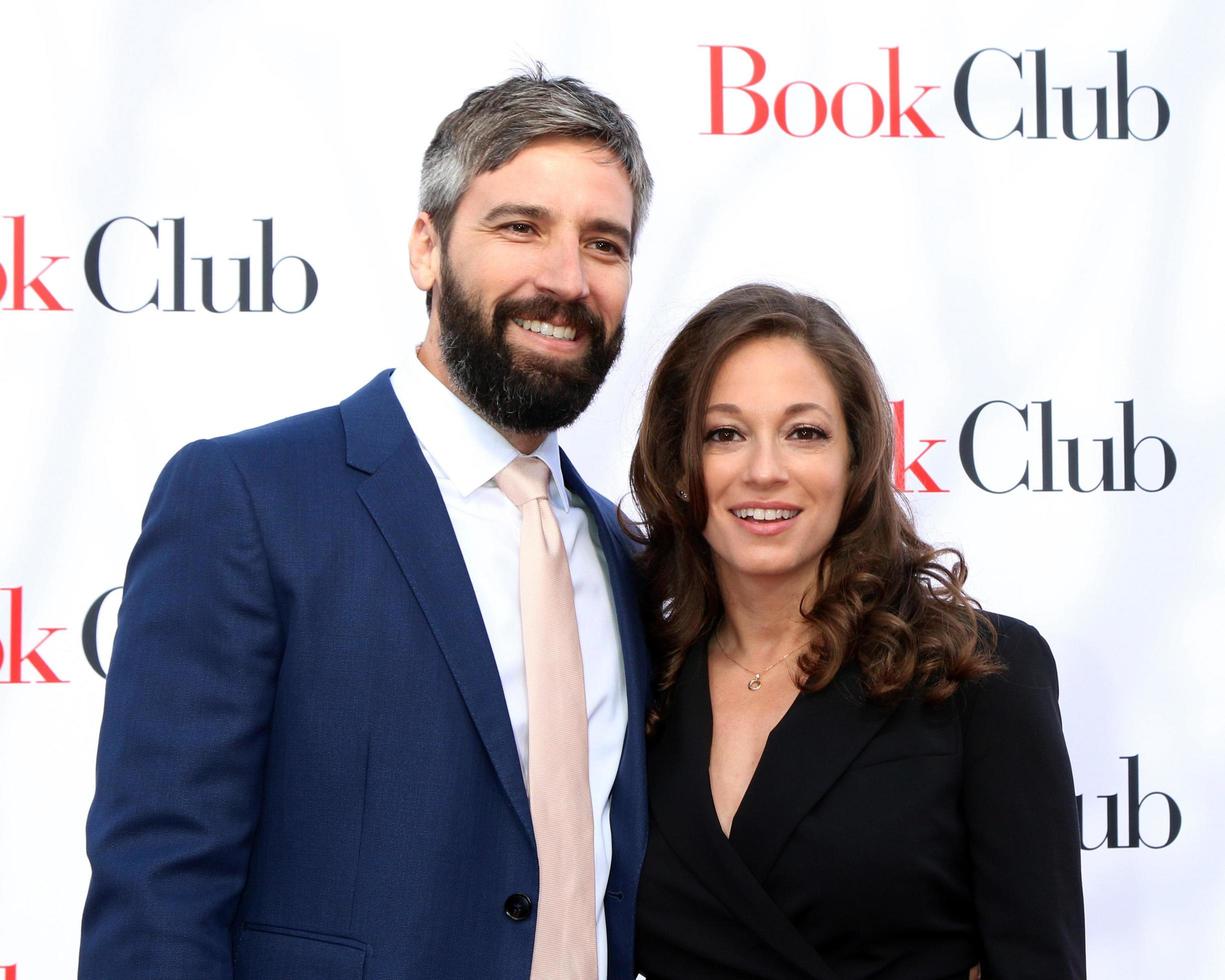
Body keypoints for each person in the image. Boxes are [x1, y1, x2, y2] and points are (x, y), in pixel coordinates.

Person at [80, 69, 653, 980]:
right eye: (520, 227)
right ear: (426, 249)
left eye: (605, 243)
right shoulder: (247, 501)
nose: (566, 278)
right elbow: (158, 895)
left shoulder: (628, 563)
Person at [628, 284, 1086, 979]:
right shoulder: (634, 679)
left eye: (804, 433)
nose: (763, 470)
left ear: (856, 459)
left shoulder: (978, 674)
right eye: (725, 434)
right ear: (679, 465)